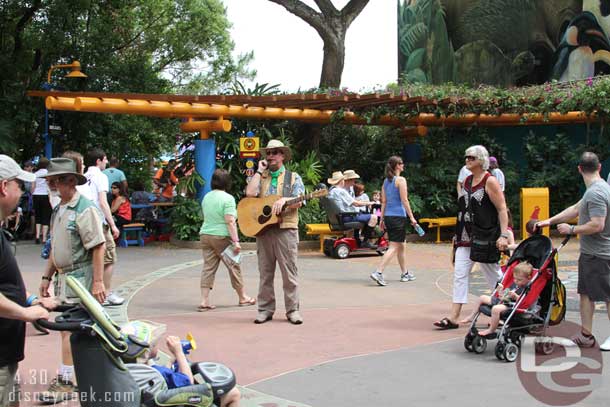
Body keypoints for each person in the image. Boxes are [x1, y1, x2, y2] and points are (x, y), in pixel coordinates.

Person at [36, 158, 107, 403]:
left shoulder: (84, 209)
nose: (51, 185)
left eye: (54, 181)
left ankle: (67, 381)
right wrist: (47, 276)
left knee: (69, 330)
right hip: (64, 278)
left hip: (80, 279)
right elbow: (56, 247)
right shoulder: (60, 208)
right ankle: (74, 376)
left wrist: (98, 281)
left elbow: (98, 246)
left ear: (69, 181)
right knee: (70, 330)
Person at [536, 152, 610, 350]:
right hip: (592, 253)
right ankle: (586, 335)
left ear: (579, 168)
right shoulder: (595, 190)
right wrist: (550, 221)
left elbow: (597, 224)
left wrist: (572, 229)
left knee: (607, 295)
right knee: (586, 293)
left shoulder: (596, 193)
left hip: (600, 253)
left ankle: (598, 336)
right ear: (599, 167)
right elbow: (576, 208)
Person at [434, 145, 508, 329]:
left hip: (485, 236)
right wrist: (456, 236)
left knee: (493, 275)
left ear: (481, 160)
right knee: (460, 274)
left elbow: (501, 208)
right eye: (466, 157)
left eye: (471, 158)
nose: (467, 160)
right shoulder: (467, 181)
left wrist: (504, 234)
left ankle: (507, 310)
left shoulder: (489, 181)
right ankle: (453, 317)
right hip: (465, 236)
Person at [0, 155, 54, 407]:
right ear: (3, 187)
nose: (22, 192)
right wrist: (24, 312)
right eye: (19, 185)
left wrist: (31, 299)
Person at [245, 139, 305, 325]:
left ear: (283, 155)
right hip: (264, 230)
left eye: (274, 152)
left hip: (285, 229)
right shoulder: (261, 176)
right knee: (265, 273)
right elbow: (250, 194)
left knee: (289, 273)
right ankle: (265, 309)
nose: (270, 156)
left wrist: (285, 199)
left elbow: (300, 200)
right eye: (268, 153)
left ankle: (292, 310)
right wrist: (258, 171)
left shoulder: (292, 177)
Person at [198, 169, 255, 311]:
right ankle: (243, 297)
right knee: (233, 265)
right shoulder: (228, 199)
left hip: (205, 234)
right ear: (227, 182)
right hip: (221, 237)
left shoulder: (207, 197)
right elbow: (230, 221)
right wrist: (236, 241)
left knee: (208, 268)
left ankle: (204, 300)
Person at [81, 148, 123, 306]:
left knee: (91, 259)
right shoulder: (101, 176)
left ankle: (92, 291)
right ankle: (105, 293)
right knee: (109, 258)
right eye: (104, 159)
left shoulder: (83, 177)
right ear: (98, 161)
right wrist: (112, 224)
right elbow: (103, 201)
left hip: (85, 221)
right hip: (99, 221)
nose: (106, 162)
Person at [370, 156, 418, 286]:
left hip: (390, 217)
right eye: (401, 163)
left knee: (401, 244)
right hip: (398, 217)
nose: (403, 165)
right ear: (397, 166)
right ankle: (378, 272)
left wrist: (382, 218)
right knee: (394, 246)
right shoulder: (401, 180)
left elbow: (383, 202)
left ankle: (405, 273)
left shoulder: (386, 182)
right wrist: (412, 217)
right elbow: (404, 200)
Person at [461, 261, 534, 327]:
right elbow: (504, 296)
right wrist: (501, 293)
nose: (516, 281)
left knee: (496, 309)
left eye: (519, 280)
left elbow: (526, 302)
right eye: (515, 278)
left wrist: (515, 296)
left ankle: (491, 329)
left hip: (513, 305)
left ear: (529, 278)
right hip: (504, 301)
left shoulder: (529, 288)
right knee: (482, 297)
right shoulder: (515, 284)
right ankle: (472, 316)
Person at [327, 171, 378, 247]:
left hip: (340, 217)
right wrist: (370, 203)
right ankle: (365, 241)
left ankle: (358, 240)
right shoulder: (341, 191)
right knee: (374, 217)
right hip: (347, 217)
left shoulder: (331, 191)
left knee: (362, 215)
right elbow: (356, 203)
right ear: (341, 181)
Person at [32, 157, 52, 244]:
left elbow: (33, 186)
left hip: (36, 195)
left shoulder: (35, 174)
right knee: (45, 216)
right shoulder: (49, 174)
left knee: (38, 215)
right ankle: (44, 238)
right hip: (45, 195)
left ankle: (37, 236)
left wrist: (32, 193)